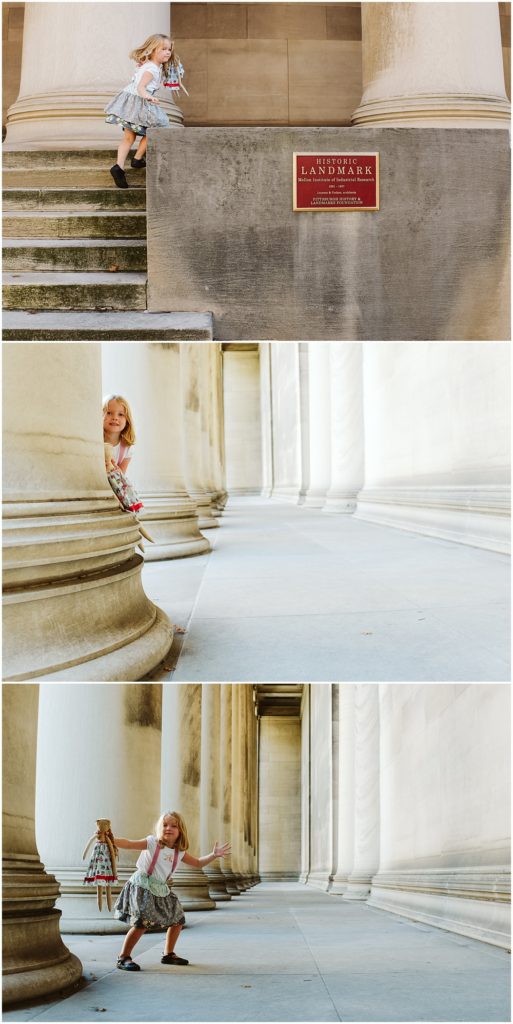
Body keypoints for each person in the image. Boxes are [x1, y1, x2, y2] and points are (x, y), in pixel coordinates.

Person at [112, 811, 231, 971]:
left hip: (160, 887)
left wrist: (213, 855)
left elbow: (197, 863)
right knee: (142, 923)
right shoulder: (152, 843)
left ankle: (168, 953)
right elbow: (129, 843)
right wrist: (110, 839)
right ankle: (123, 957)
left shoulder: (178, 852)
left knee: (177, 919)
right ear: (159, 828)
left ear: (180, 831)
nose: (169, 828)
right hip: (143, 885)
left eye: (174, 826)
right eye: (165, 825)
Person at [105, 34, 185, 189]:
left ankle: (118, 167)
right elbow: (141, 87)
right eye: (163, 49)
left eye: (169, 49)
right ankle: (137, 159)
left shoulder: (147, 64)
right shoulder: (152, 69)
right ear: (153, 50)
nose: (168, 52)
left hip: (129, 102)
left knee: (129, 137)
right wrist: (149, 97)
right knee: (159, 127)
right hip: (140, 101)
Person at [103, 394, 136, 473]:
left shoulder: (127, 448)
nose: (115, 418)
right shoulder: (95, 442)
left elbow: (122, 476)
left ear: (127, 421)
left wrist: (117, 471)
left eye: (120, 414)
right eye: (109, 413)